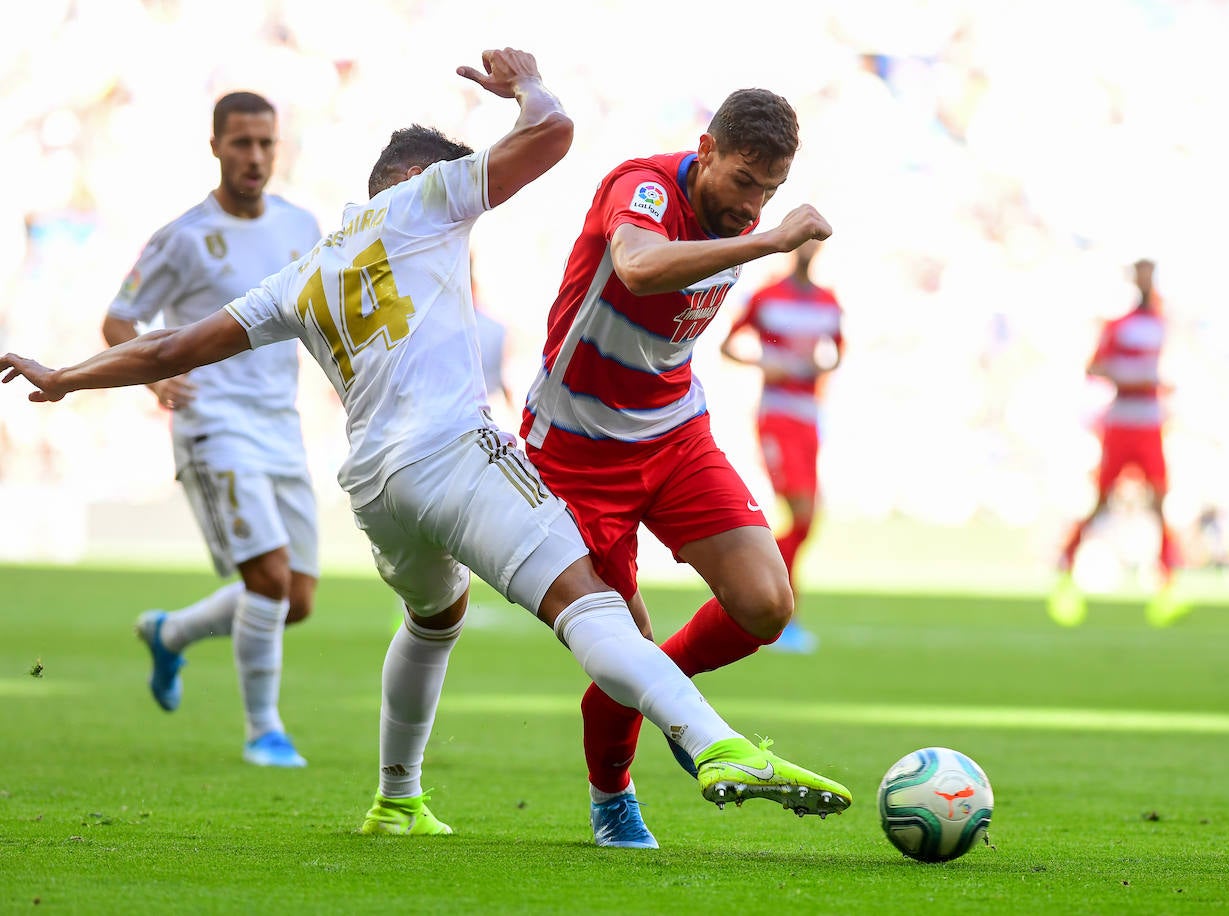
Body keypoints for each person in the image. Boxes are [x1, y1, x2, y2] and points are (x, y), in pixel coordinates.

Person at [1, 48, 851, 839]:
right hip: (455, 454)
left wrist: (66, 376)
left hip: (374, 487)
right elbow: (552, 136)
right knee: (591, 608)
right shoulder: (424, 199)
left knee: (434, 617)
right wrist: (526, 86)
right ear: (413, 178)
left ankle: (397, 799)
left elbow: (168, 346)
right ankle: (711, 744)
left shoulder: (301, 272)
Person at [521, 87, 833, 847]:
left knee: (767, 605)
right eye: (743, 182)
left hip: (674, 434)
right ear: (708, 150)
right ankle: (612, 798)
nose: (753, 206)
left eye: (771, 192)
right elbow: (636, 267)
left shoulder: (739, 215)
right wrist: (767, 243)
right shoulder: (645, 186)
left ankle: (662, 685)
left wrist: (758, 233)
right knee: (617, 647)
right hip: (578, 455)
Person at [102, 91, 322, 767]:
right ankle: (264, 730)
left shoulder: (302, 225)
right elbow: (119, 319)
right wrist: (155, 377)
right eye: (241, 144)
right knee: (267, 580)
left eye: (265, 144)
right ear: (216, 146)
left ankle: (171, 635)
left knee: (298, 598)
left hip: (280, 423)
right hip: (213, 420)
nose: (254, 157)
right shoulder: (184, 237)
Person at [719, 239, 844, 653]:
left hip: (809, 417)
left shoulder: (828, 301)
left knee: (807, 519)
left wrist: (821, 364)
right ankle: (771, 611)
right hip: (776, 416)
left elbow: (837, 352)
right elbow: (728, 346)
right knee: (802, 513)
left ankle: (758, 587)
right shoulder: (768, 296)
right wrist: (763, 363)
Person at [1050, 258, 1186, 628]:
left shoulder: (1162, 324)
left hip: (1150, 422)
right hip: (1123, 420)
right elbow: (1094, 368)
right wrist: (1131, 377)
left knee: (1159, 501)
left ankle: (1167, 581)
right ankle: (1066, 566)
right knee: (1102, 500)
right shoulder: (1118, 325)